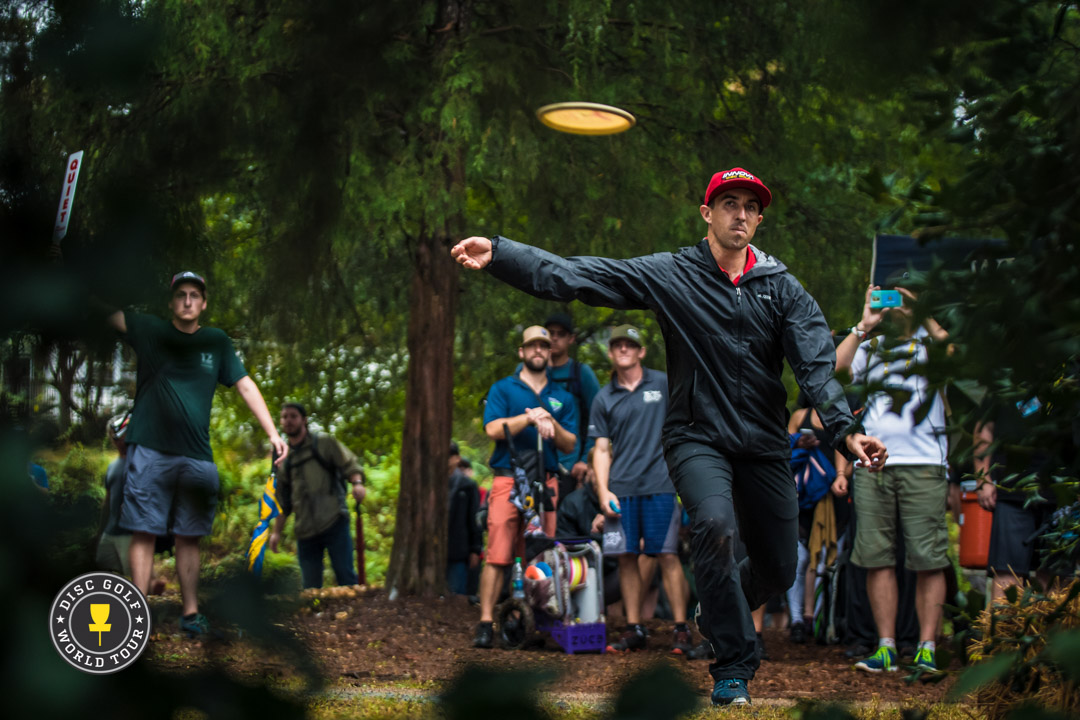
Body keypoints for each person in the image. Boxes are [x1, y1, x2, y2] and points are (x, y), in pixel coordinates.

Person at [451, 167, 887, 705]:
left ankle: (716, 609)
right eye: (730, 203)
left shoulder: (782, 289)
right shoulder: (674, 273)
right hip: (696, 437)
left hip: (763, 443)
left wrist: (847, 433)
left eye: (751, 207)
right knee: (714, 524)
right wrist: (501, 252)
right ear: (707, 213)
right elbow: (585, 275)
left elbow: (818, 369)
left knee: (778, 566)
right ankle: (732, 669)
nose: (741, 214)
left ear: (759, 218)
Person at [107, 271, 287, 637]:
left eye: (194, 295)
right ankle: (137, 616)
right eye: (181, 295)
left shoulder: (216, 342)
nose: (187, 301)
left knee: (190, 535)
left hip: (196, 454)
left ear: (203, 303)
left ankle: (190, 615)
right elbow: (103, 313)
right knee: (143, 530)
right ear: (171, 302)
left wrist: (272, 432)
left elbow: (245, 384)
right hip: (149, 449)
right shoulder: (151, 331)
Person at [835, 282, 950, 674]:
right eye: (889, 297)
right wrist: (864, 324)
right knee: (875, 556)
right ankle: (885, 648)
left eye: (901, 298)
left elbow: (957, 355)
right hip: (874, 464)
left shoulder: (932, 345)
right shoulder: (872, 346)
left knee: (928, 560)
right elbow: (836, 371)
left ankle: (926, 648)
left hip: (925, 465)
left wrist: (922, 313)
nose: (895, 305)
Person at [472, 325, 578, 649]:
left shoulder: (562, 396)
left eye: (543, 347)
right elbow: (492, 429)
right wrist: (530, 418)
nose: (537, 351)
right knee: (498, 553)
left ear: (550, 353)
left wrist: (550, 421)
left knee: (539, 554)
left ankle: (536, 621)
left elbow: (571, 442)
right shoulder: (505, 389)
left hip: (545, 482)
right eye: (531, 346)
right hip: (508, 478)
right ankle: (486, 622)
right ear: (522, 352)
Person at [590, 324, 692, 655]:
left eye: (629, 345)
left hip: (661, 484)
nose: (623, 350)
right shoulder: (604, 397)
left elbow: (687, 421)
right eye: (617, 345)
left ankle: (680, 628)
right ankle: (634, 628)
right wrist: (604, 491)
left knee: (666, 554)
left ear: (641, 352)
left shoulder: (662, 383)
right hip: (622, 489)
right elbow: (602, 450)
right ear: (611, 352)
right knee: (626, 556)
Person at [269, 402, 365, 589]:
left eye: (293, 416)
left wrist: (357, 483)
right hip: (305, 531)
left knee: (346, 578)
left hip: (334, 520)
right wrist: (276, 533)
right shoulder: (284, 461)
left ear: (304, 420)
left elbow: (349, 463)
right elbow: (283, 503)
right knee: (311, 589)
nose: (288, 421)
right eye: (284, 417)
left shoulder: (323, 443)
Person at [974, 400, 1057, 603]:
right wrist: (983, 478)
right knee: (1006, 568)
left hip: (1061, 489)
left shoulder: (1070, 373)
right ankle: (1005, 632)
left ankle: (1052, 633)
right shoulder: (1007, 372)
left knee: (1056, 570)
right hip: (1011, 489)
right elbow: (984, 427)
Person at [543, 312, 601, 495]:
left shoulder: (581, 373)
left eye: (561, 334)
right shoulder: (528, 370)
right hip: (535, 463)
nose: (554, 338)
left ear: (571, 339)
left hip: (569, 467)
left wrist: (585, 460)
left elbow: (597, 419)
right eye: (550, 333)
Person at [96, 411, 134, 577]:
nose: (117, 439)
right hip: (110, 532)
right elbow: (108, 500)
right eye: (113, 436)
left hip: (130, 534)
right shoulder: (112, 466)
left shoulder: (140, 461)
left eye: (120, 434)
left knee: (135, 580)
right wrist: (99, 531)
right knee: (103, 575)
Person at [447, 442, 482, 595]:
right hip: (432, 553)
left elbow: (474, 518)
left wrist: (475, 549)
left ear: (456, 459)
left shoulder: (467, 485)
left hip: (458, 551)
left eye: (448, 455)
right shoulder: (428, 484)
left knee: (457, 594)